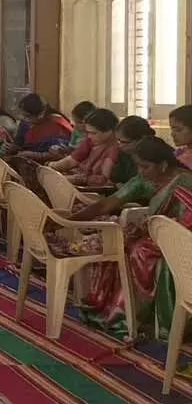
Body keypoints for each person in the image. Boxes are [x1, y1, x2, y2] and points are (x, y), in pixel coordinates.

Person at [70, 137, 192, 337]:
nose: (140, 171)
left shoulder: (185, 182)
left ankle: (134, 317)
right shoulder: (146, 179)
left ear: (162, 165)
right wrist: (69, 220)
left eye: (145, 166)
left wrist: (159, 231)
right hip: (159, 234)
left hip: (183, 238)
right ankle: (117, 310)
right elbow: (107, 204)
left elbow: (186, 222)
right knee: (116, 241)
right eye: (138, 166)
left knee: (139, 251)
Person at [44, 107, 119, 186]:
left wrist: (71, 179)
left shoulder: (114, 149)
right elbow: (71, 161)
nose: (89, 136)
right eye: (88, 133)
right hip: (79, 177)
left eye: (94, 133)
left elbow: (103, 180)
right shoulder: (90, 141)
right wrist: (49, 166)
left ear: (109, 131)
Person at [8, 94, 72, 158]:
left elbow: (61, 153)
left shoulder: (57, 124)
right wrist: (13, 148)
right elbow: (19, 143)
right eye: (22, 114)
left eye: (27, 116)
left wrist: (34, 155)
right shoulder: (25, 123)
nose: (23, 118)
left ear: (41, 114)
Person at [109, 115, 154, 186]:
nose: (119, 145)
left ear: (141, 139)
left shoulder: (155, 154)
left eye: (123, 142)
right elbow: (115, 178)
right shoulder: (124, 153)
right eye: (118, 141)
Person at [170, 105, 192, 169]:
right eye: (172, 129)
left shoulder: (187, 159)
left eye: (178, 130)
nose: (172, 134)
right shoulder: (182, 152)